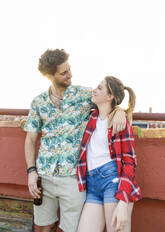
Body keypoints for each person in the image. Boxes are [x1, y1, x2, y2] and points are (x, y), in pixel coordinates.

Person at [24, 49, 126, 232]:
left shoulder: (83, 95)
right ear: (49, 75)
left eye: (69, 69)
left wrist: (120, 111)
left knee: (70, 229)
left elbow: (110, 98)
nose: (70, 75)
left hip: (73, 178)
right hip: (44, 176)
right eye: (63, 73)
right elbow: (30, 139)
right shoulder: (38, 102)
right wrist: (31, 171)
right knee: (44, 226)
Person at [77, 76, 142, 232]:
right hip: (92, 184)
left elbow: (129, 162)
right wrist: (120, 109)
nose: (94, 89)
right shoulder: (91, 117)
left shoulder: (120, 122)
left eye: (100, 88)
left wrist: (123, 201)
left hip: (112, 183)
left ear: (109, 96)